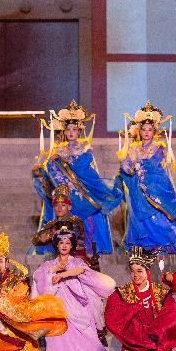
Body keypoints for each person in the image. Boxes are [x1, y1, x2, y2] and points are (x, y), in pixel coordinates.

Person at [32, 226, 115, 351]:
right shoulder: (48, 265)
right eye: (61, 242)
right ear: (56, 245)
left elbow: (85, 272)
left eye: (68, 243)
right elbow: (39, 281)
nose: (64, 245)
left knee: (87, 343)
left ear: (72, 245)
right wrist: (51, 272)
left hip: (79, 309)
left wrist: (63, 274)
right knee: (59, 344)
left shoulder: (77, 262)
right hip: (58, 310)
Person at [32, 100, 122, 254]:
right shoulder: (58, 151)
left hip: (86, 191)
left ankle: (95, 249)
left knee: (93, 215)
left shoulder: (84, 148)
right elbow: (52, 170)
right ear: (64, 131)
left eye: (74, 129)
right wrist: (47, 167)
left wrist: (69, 159)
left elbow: (87, 171)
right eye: (68, 129)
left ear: (79, 131)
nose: (71, 132)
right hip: (69, 196)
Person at [117, 102, 176, 253]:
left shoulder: (158, 147)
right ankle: (145, 246)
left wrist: (139, 166)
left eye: (150, 129)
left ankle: (162, 244)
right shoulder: (133, 148)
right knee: (138, 215)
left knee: (157, 215)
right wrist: (126, 166)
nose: (146, 132)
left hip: (154, 187)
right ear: (139, 131)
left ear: (154, 131)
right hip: (137, 189)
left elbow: (154, 166)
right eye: (143, 129)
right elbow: (126, 165)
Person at [30, 183, 88, 259]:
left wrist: (52, 236)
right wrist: (42, 237)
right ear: (53, 208)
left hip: (73, 257)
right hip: (55, 256)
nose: (59, 208)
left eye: (63, 205)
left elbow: (74, 239)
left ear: (69, 207)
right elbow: (35, 241)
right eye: (56, 205)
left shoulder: (76, 221)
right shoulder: (50, 224)